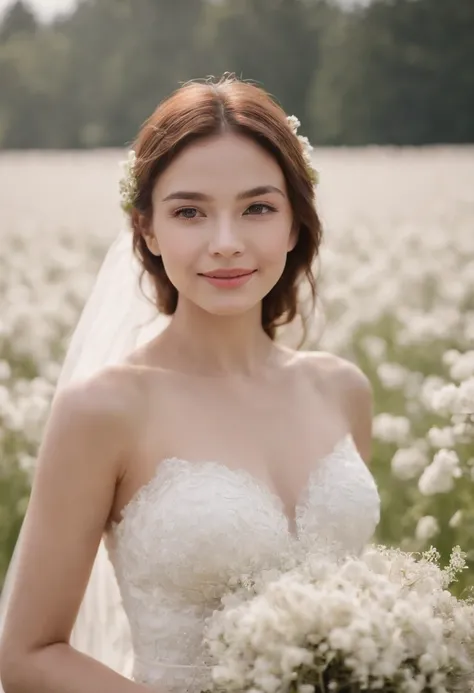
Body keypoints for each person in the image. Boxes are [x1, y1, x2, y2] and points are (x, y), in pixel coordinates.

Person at [0, 74, 380, 693]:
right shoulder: (105, 409)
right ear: (147, 230)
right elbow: (26, 656)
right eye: (189, 212)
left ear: (293, 224)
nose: (225, 243)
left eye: (257, 207)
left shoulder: (342, 391)